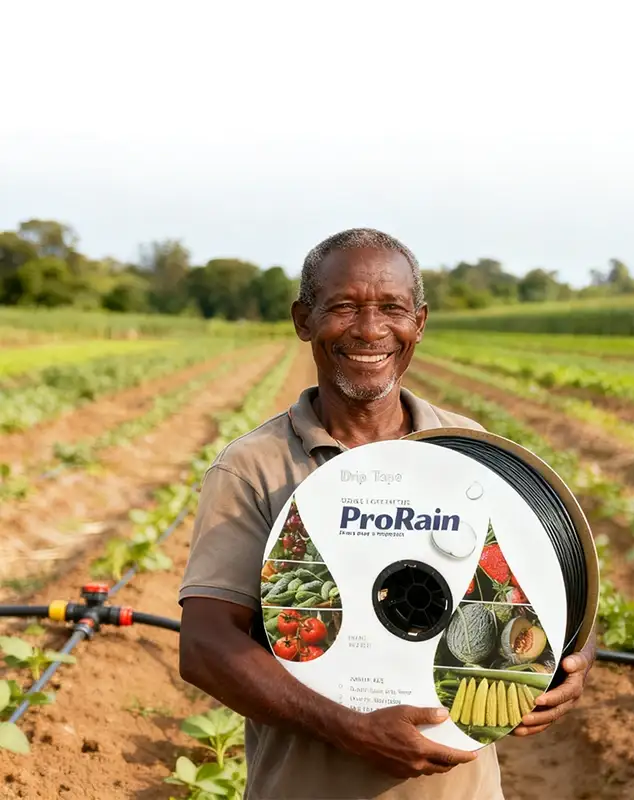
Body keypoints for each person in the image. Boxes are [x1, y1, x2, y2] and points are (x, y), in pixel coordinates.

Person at [177, 228, 596, 800]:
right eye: (344, 307)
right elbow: (205, 645)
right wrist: (347, 728)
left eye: (392, 308)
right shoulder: (255, 468)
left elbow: (558, 583)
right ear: (303, 320)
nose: (370, 330)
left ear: (418, 323)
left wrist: (573, 660)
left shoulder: (472, 452)